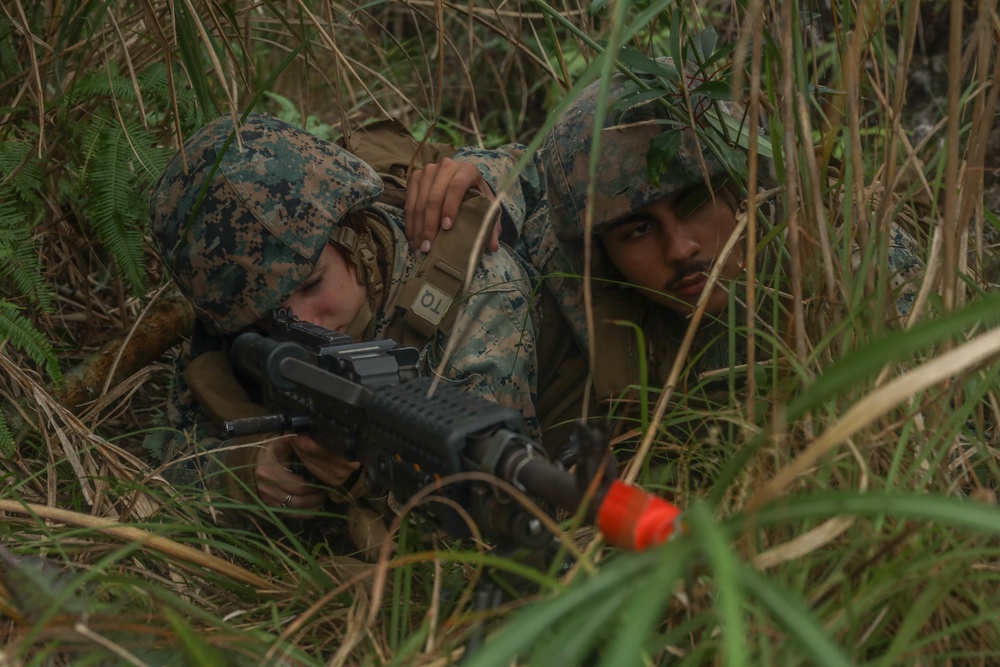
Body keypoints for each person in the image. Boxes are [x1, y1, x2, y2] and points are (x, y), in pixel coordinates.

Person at [405, 59, 926, 415]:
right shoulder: (576, 255)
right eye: (637, 230)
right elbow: (538, 171)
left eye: (695, 204)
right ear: (600, 247)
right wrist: (479, 175)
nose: (680, 249)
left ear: (743, 190)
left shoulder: (849, 266)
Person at [148, 113, 542, 540]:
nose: (298, 323)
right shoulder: (242, 314)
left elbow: (490, 517)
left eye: (312, 284)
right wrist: (245, 469)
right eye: (267, 315)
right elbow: (164, 464)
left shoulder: (478, 287)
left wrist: (363, 481)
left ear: (354, 233)